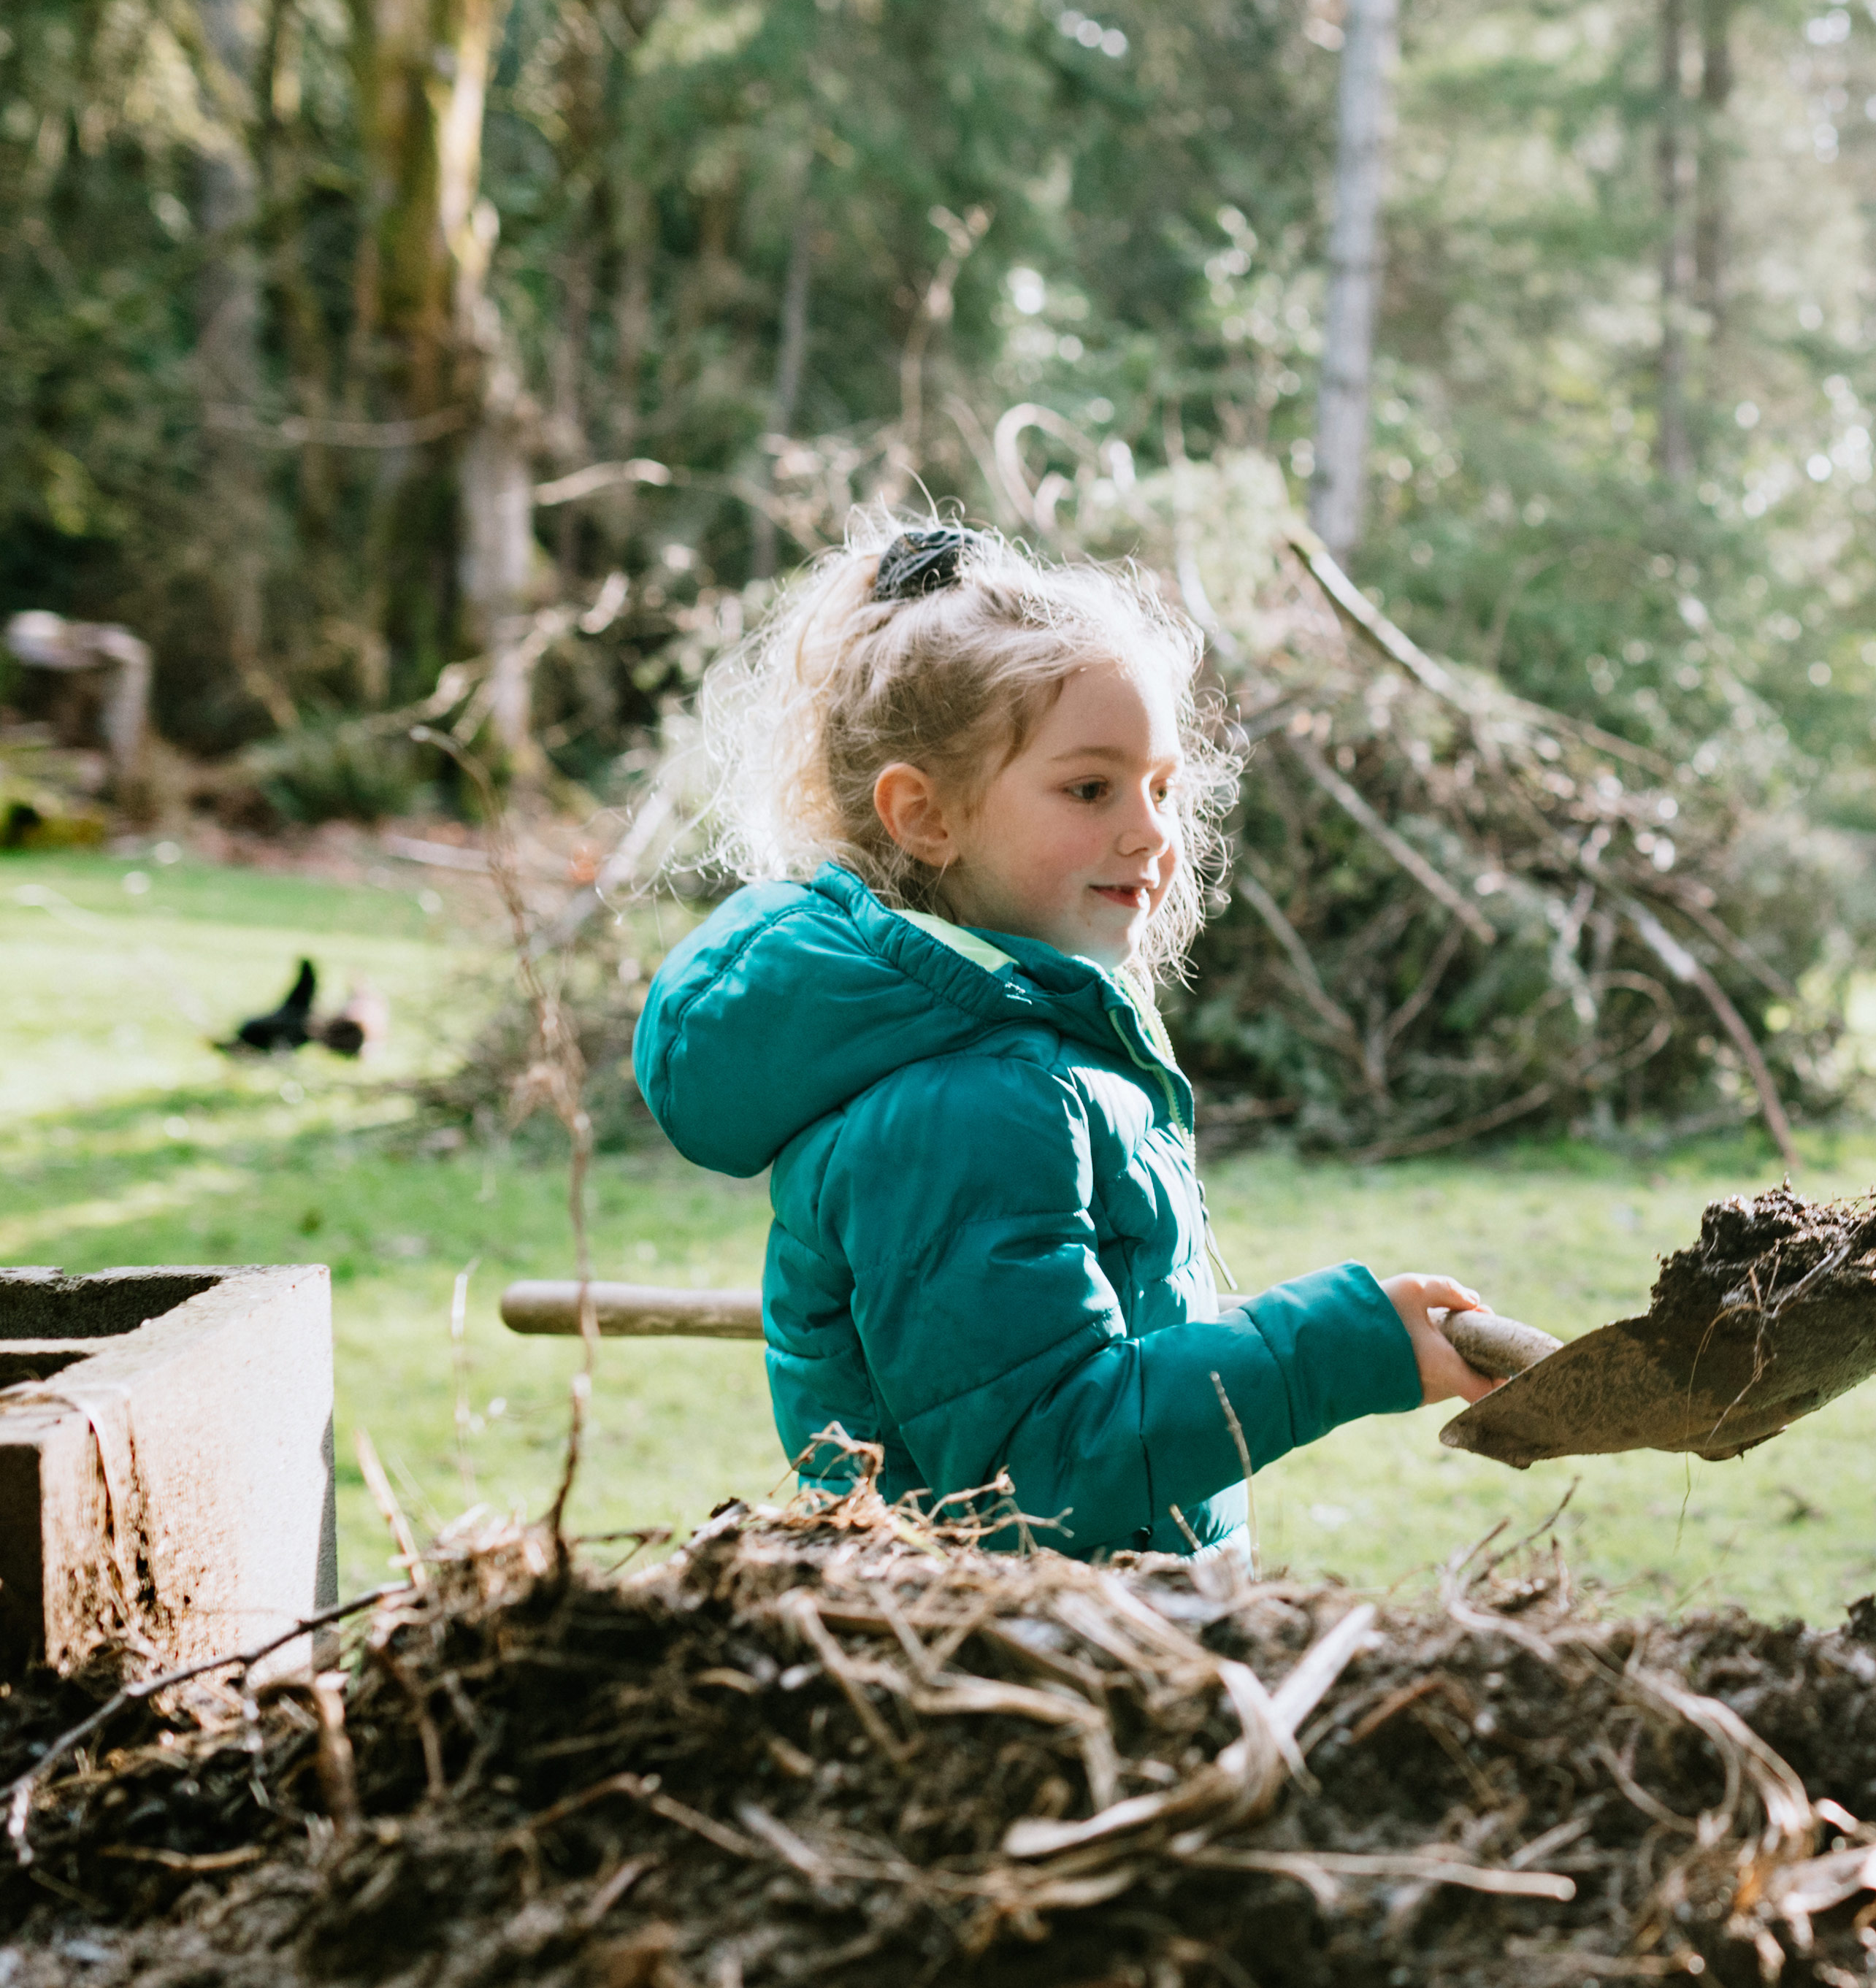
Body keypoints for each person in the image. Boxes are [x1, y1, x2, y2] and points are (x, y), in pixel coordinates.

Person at [635, 518, 1498, 1556]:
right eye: (1091, 789)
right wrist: (1344, 1348)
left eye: (1162, 787)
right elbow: (1045, 1467)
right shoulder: (963, 1104)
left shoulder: (1027, 1053)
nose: (1150, 831)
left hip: (1091, 1647)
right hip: (1015, 1672)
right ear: (925, 817)